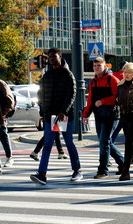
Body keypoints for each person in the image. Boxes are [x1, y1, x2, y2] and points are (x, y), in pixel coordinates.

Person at [30, 48, 82, 185]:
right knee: (47, 145)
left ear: (60, 56)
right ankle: (42, 174)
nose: (52, 59)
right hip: (49, 116)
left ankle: (77, 170)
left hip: (63, 116)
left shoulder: (68, 74)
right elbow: (41, 94)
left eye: (54, 56)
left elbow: (72, 95)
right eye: (50, 57)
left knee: (69, 143)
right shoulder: (47, 75)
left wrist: (63, 111)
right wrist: (43, 112)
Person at [82, 57, 124, 178]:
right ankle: (123, 164)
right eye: (95, 66)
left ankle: (103, 171)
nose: (97, 68)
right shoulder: (93, 82)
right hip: (99, 115)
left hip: (112, 115)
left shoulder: (112, 79)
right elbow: (90, 100)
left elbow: (118, 98)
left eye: (99, 66)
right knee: (106, 142)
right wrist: (86, 115)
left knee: (104, 142)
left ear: (105, 66)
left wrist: (103, 101)